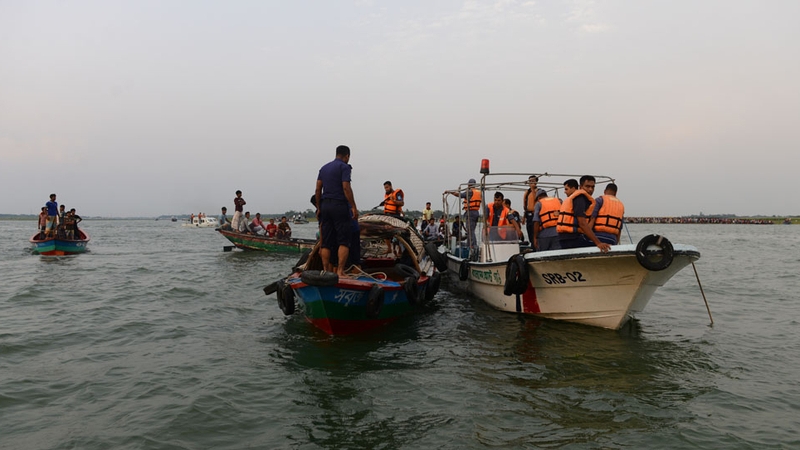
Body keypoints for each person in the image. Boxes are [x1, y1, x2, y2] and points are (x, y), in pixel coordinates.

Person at [316, 145, 358, 277]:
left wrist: (318, 207)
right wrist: (353, 206)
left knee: (326, 242)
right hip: (339, 205)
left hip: (325, 205)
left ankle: (326, 271)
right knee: (343, 240)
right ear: (347, 156)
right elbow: (346, 187)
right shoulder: (344, 167)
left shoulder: (324, 168)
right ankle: (340, 271)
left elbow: (318, 190)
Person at [557, 175, 611, 252]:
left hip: (567, 237)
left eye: (592, 187)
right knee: (607, 242)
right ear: (581, 186)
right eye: (587, 186)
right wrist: (598, 243)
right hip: (572, 239)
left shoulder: (579, 198)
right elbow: (582, 223)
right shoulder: (580, 198)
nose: (590, 189)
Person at [448, 179, 481, 251]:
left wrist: (450, 192)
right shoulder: (478, 192)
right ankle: (471, 245)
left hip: (471, 213)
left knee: (470, 231)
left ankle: (472, 246)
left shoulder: (470, 191)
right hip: (475, 212)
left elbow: (459, 195)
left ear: (470, 185)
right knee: (471, 231)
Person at [521, 175, 539, 244]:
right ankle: (532, 244)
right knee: (529, 230)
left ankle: (536, 245)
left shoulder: (539, 191)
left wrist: (533, 189)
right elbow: (525, 205)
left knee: (535, 232)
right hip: (529, 215)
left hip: (536, 214)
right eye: (530, 181)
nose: (531, 183)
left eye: (533, 181)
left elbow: (536, 199)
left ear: (536, 182)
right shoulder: (527, 192)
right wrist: (524, 217)